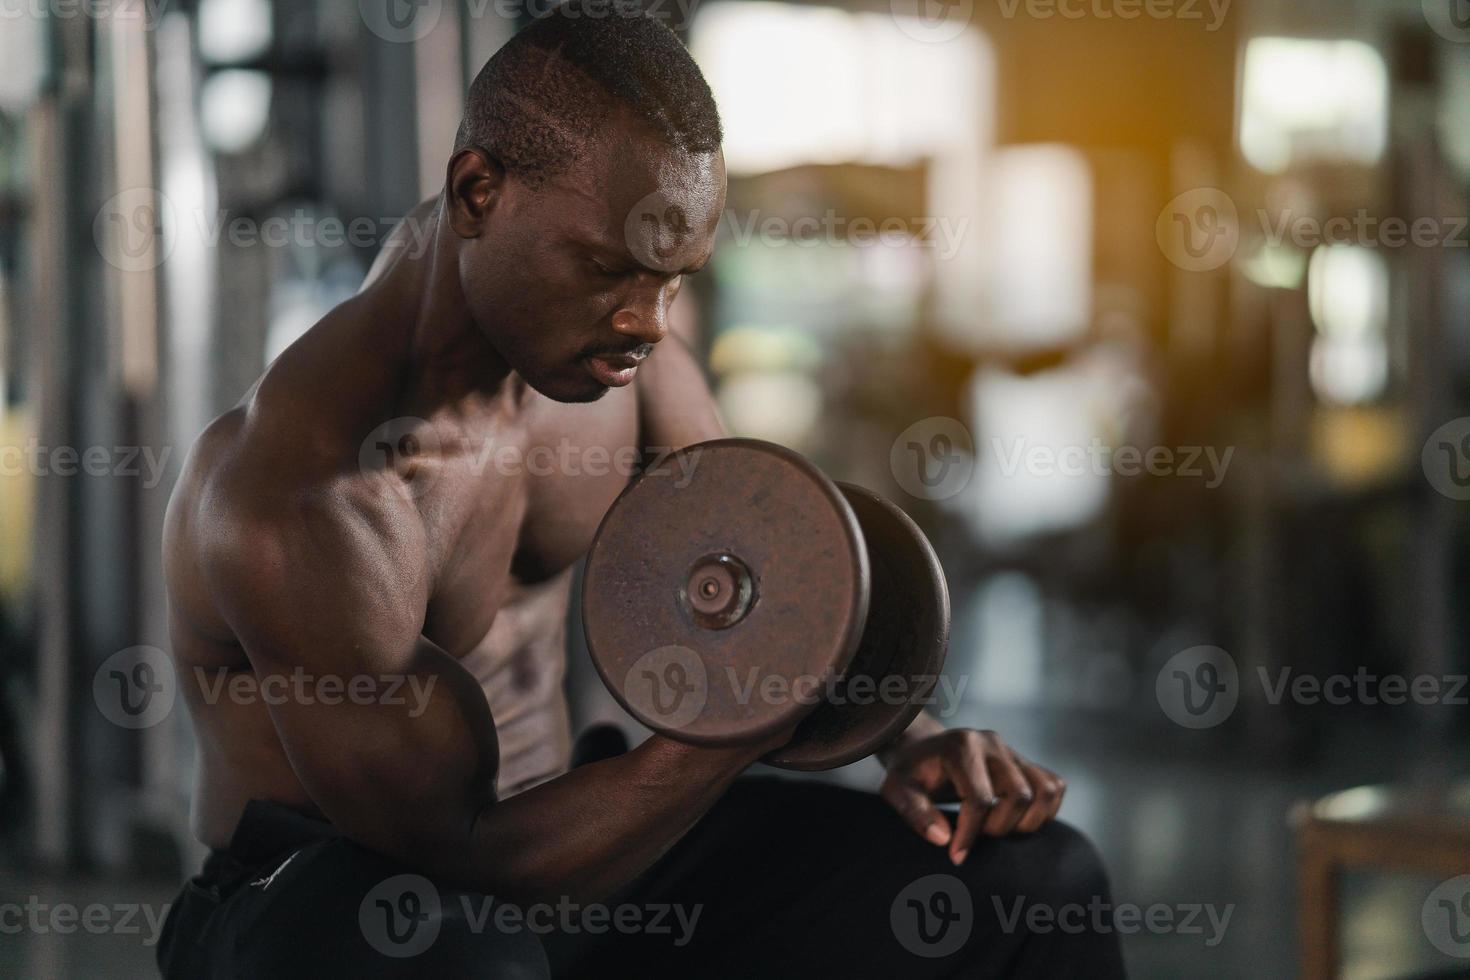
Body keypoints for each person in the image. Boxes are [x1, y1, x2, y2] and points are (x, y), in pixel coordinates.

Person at [156, 5, 1126, 977]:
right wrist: (739, 727)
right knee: (469, 956)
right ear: (478, 192)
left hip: (587, 833)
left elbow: (769, 561)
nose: (648, 320)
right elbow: (466, 850)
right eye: (607, 268)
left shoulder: (610, 351)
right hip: (334, 893)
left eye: (672, 279)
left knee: (1035, 879)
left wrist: (905, 736)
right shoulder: (300, 488)